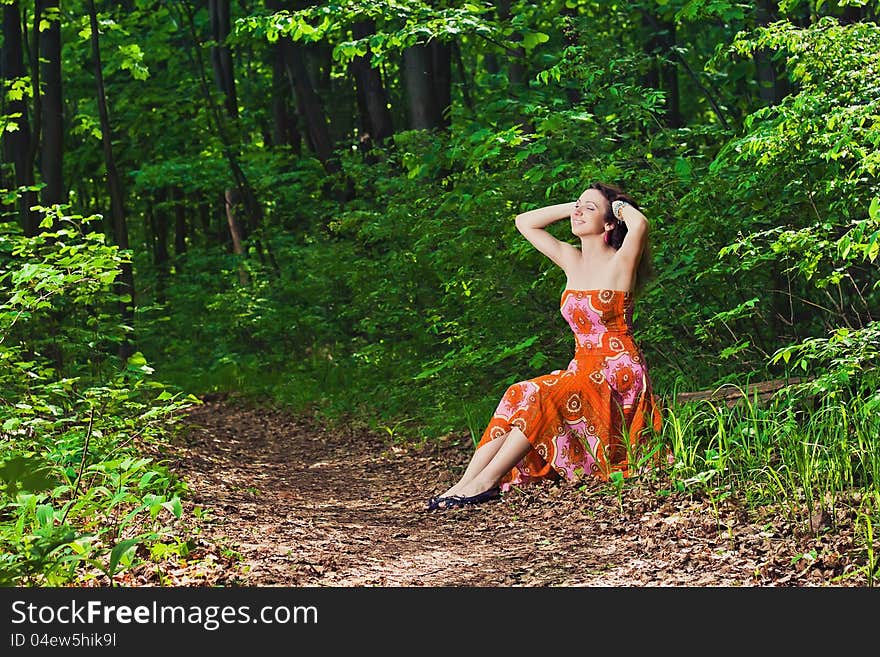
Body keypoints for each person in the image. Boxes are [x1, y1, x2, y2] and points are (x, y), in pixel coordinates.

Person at [427, 182, 663, 511]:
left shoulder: (621, 262)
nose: (579, 212)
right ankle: (466, 483)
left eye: (589, 209)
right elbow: (524, 221)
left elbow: (640, 224)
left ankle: (485, 482)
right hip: (582, 368)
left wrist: (615, 206)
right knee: (517, 392)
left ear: (610, 224)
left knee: (541, 394)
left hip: (617, 373)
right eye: (577, 206)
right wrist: (579, 207)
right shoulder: (571, 259)